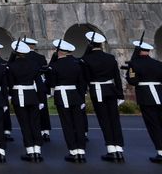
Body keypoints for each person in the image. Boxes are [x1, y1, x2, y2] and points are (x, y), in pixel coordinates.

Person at [83, 30, 125, 161]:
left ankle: (111, 150)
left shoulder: (86, 59)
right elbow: (117, 77)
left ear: (90, 44)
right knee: (114, 119)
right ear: (101, 45)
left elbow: (86, 78)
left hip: (97, 90)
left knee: (104, 120)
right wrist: (120, 94)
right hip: (111, 89)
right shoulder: (110, 57)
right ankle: (119, 149)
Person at [45, 39, 88, 162]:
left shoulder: (55, 65)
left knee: (67, 124)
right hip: (75, 95)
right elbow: (81, 82)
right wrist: (81, 98)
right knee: (78, 123)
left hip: (61, 94)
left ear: (59, 52)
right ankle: (81, 150)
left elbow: (51, 83)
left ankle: (73, 151)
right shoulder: (77, 63)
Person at [7, 40, 44, 161]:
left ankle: (30, 150)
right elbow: (39, 84)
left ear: (15, 53)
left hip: (19, 96)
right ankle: (37, 150)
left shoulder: (11, 66)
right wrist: (41, 99)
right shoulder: (34, 65)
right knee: (35, 123)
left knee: (25, 124)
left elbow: (10, 84)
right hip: (32, 96)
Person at [126, 38, 162, 163]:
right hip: (159, 95)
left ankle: (160, 152)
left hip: (146, 98)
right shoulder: (158, 63)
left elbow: (132, 81)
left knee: (153, 125)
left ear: (138, 51)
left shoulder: (134, 64)